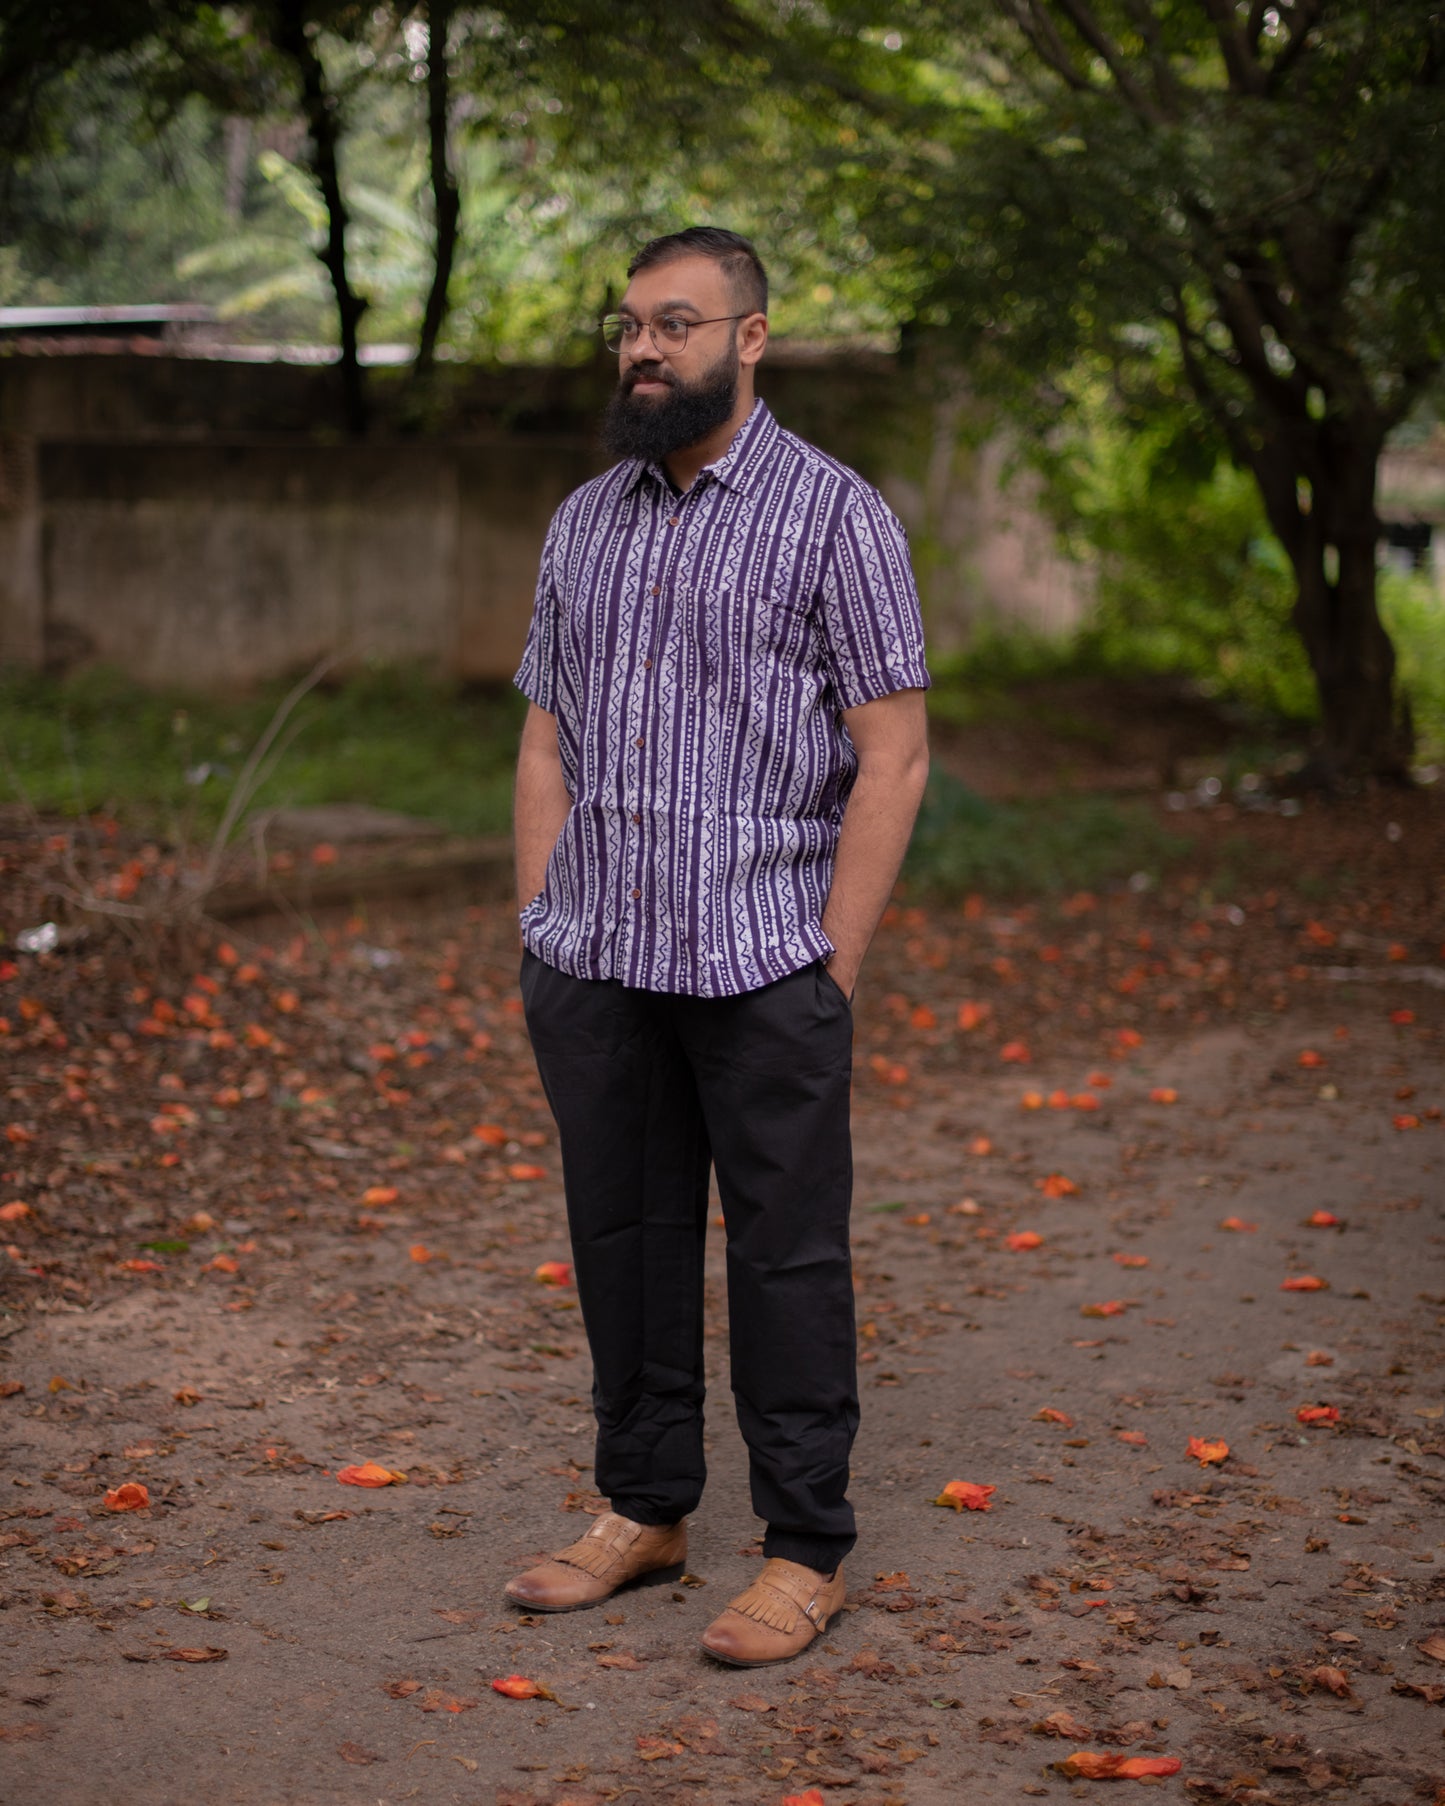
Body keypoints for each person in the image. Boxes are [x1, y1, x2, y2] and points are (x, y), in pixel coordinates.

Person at [506, 226, 929, 1668]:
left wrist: (832, 962)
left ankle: (804, 1545)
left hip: (765, 959)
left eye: (675, 323)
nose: (642, 347)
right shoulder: (584, 521)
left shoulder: (834, 518)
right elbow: (544, 734)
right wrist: (539, 924)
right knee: (620, 1243)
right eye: (628, 322)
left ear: (751, 337)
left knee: (785, 1257)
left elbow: (895, 753)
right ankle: (644, 1507)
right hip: (600, 955)